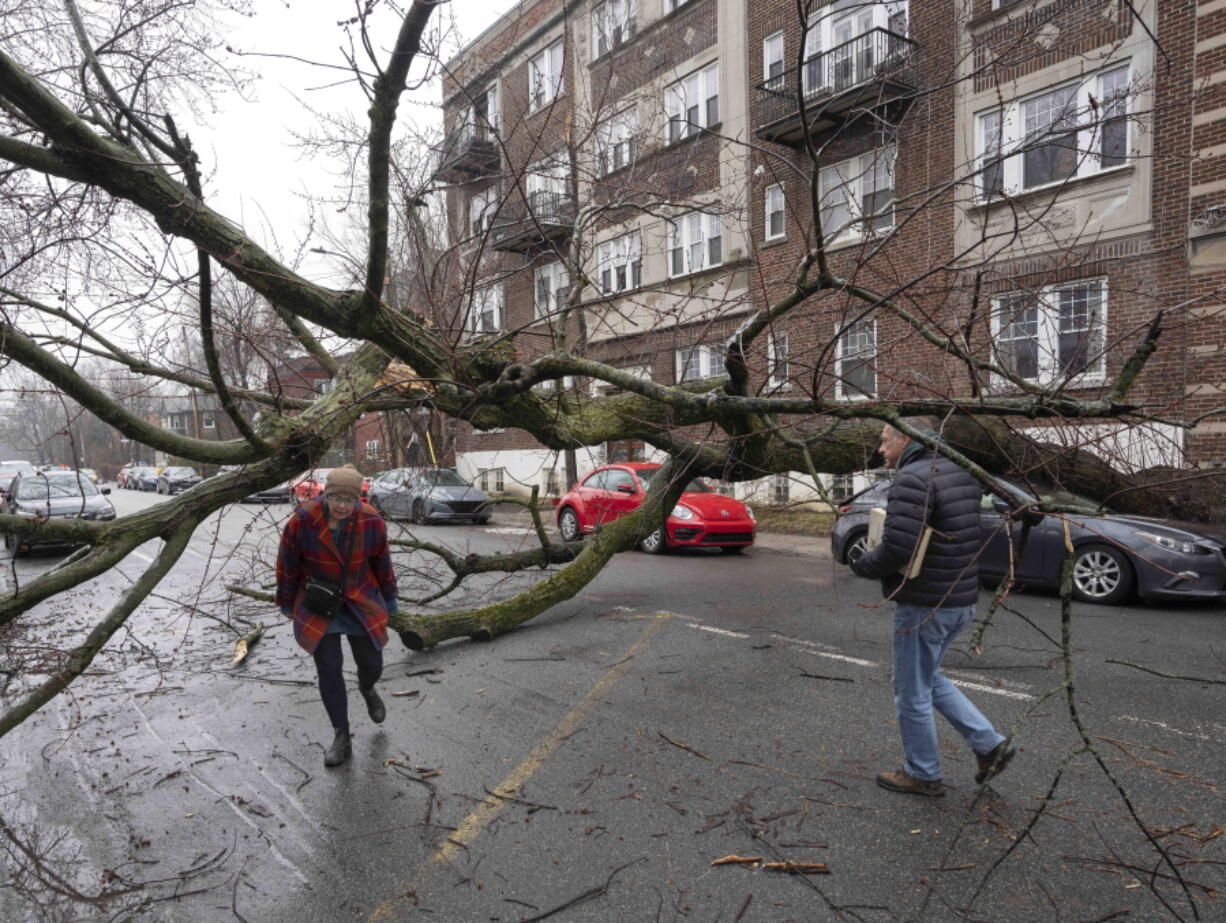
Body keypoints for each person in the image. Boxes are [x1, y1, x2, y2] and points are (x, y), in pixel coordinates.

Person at [849, 423, 1015, 796]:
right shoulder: (959, 471)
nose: (880, 449)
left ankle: (922, 774)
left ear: (906, 439)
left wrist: (863, 564)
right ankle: (989, 745)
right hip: (959, 599)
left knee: (910, 691)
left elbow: (897, 549)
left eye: (884, 440)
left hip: (925, 603)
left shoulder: (912, 478)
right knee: (928, 678)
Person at [276, 465, 399, 767]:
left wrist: (390, 596)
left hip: (361, 599)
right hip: (319, 602)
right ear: (325, 494)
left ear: (359, 499)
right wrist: (286, 600)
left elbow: (382, 562)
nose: (342, 506)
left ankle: (367, 687)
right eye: (336, 499)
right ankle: (341, 735)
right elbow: (287, 562)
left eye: (349, 500)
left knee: (371, 663)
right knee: (329, 670)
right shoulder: (303, 520)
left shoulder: (371, 520)